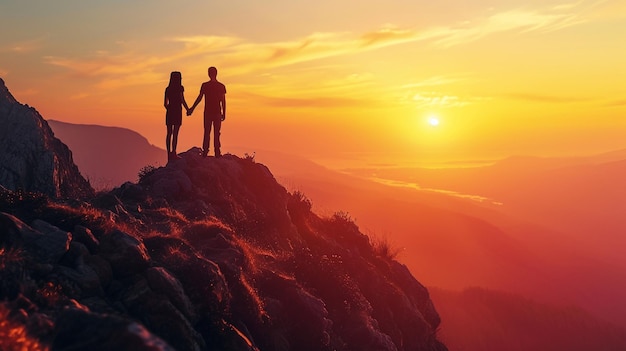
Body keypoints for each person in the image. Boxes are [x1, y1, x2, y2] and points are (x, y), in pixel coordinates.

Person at [187, 66, 226, 157]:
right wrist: (224, 113)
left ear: (208, 74)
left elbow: (199, 98)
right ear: (216, 74)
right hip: (217, 112)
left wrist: (192, 108)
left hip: (208, 112)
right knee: (217, 133)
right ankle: (217, 152)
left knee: (207, 132)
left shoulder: (205, 85)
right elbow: (223, 101)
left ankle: (205, 151)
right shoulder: (221, 86)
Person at [164, 71, 189, 160]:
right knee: (175, 133)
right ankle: (174, 152)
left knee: (169, 133)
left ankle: (168, 154)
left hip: (170, 112)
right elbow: (182, 100)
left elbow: (165, 103)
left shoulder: (167, 89)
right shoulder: (180, 88)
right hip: (178, 111)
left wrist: (170, 108)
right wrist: (188, 109)